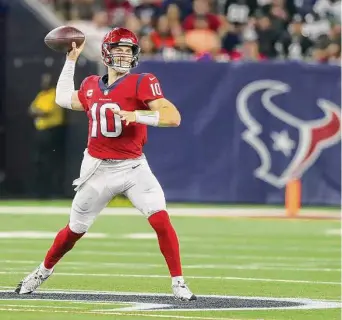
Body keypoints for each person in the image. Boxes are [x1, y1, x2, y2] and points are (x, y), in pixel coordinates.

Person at [15, 27, 196, 301]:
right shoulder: (89, 85)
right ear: (106, 53)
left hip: (133, 167)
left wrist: (139, 115)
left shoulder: (142, 82)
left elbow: (173, 117)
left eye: (128, 51)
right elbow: (63, 98)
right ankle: (41, 272)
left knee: (160, 218)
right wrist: (71, 60)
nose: (124, 55)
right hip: (97, 169)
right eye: (118, 50)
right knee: (73, 231)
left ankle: (178, 282)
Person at [29, 73, 65, 198]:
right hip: (41, 132)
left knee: (50, 161)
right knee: (39, 161)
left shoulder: (55, 94)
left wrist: (37, 111)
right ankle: (40, 191)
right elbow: (31, 109)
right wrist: (36, 111)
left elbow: (45, 112)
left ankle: (53, 190)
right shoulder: (41, 95)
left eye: (47, 80)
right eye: (43, 80)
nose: (44, 83)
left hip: (52, 132)